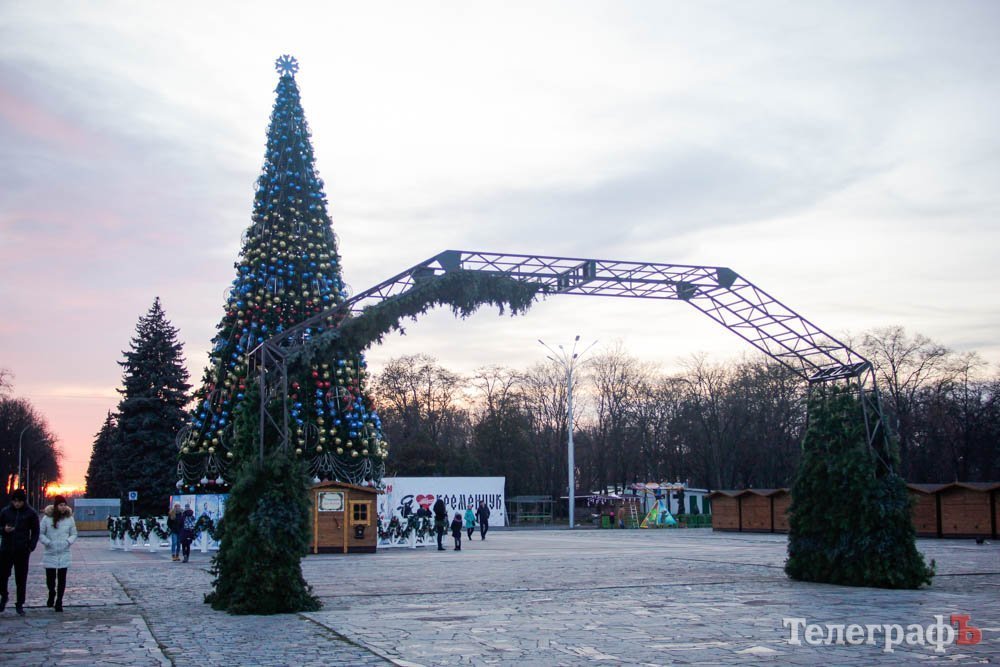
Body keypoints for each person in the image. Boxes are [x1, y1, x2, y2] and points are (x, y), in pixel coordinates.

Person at [0, 489, 40, 616]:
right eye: (15, 501)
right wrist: (4, 530)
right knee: (2, 576)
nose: (17, 504)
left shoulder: (30, 513)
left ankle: (20, 603)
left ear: (24, 501)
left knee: (21, 578)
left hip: (22, 550)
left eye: (19, 501)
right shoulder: (5, 512)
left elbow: (35, 531)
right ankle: (4, 596)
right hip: (6, 549)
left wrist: (31, 546)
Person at [38, 494, 77, 612]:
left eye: (64, 505)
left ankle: (59, 601)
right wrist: (48, 542)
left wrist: (67, 542)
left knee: (62, 579)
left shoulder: (69, 518)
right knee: (50, 579)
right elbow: (41, 533)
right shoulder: (47, 518)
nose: (63, 507)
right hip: (50, 552)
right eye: (60, 505)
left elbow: (74, 534)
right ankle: (52, 592)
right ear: (56, 506)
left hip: (64, 552)